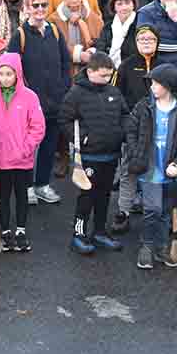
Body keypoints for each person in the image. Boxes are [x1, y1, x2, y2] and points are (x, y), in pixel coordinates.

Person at [60, 52, 128, 255]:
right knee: (86, 196)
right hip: (88, 156)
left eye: (109, 75)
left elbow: (125, 115)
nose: (107, 79)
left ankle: (99, 231)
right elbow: (64, 120)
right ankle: (78, 234)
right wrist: (83, 139)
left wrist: (121, 134)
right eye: (103, 75)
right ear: (90, 72)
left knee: (104, 196)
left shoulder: (114, 92)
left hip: (111, 155)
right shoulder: (76, 93)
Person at [128, 63, 177, 270]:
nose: (152, 87)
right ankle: (146, 246)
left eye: (156, 83)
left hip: (170, 169)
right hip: (149, 167)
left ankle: (161, 246)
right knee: (152, 208)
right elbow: (131, 131)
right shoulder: (144, 106)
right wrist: (136, 153)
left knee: (166, 210)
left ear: (168, 85)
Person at [9, 0, 71, 205]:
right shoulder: (19, 35)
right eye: (35, 5)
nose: (40, 9)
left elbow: (65, 62)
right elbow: (12, 69)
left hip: (55, 102)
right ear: (27, 8)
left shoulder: (54, 30)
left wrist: (63, 89)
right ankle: (26, 187)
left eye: (44, 5)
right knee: (29, 148)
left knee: (49, 146)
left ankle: (42, 184)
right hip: (30, 105)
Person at [0, 53, 45, 252]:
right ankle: (6, 230)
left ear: (18, 74)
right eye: (1, 74)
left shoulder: (30, 97)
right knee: (3, 195)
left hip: (22, 158)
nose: (5, 78)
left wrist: (26, 148)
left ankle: (21, 230)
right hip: (0, 157)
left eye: (9, 74)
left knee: (21, 195)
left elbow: (38, 127)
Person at [110, 25, 159, 234]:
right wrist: (124, 123)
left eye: (151, 39)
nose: (146, 42)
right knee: (128, 171)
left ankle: (154, 213)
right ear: (136, 42)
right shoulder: (126, 66)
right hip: (133, 128)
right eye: (142, 39)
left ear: (157, 42)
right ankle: (123, 212)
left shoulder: (165, 65)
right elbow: (116, 97)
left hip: (159, 128)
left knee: (155, 172)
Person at [48, 0, 104, 78]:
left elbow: (102, 41)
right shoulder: (54, 19)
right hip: (62, 69)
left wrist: (91, 52)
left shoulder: (94, 19)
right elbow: (52, 44)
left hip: (90, 69)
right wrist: (77, 54)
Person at [94, 0, 139, 67]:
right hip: (108, 69)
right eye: (119, 4)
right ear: (114, 6)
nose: (124, 7)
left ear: (133, 4)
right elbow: (100, 51)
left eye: (127, 3)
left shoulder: (140, 24)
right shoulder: (108, 27)